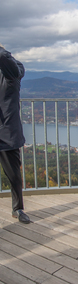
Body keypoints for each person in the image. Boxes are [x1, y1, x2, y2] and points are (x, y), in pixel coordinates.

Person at [0, 44, 30, 224]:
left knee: (14, 176)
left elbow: (5, 58)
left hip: (7, 134)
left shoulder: (13, 72)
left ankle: (18, 209)